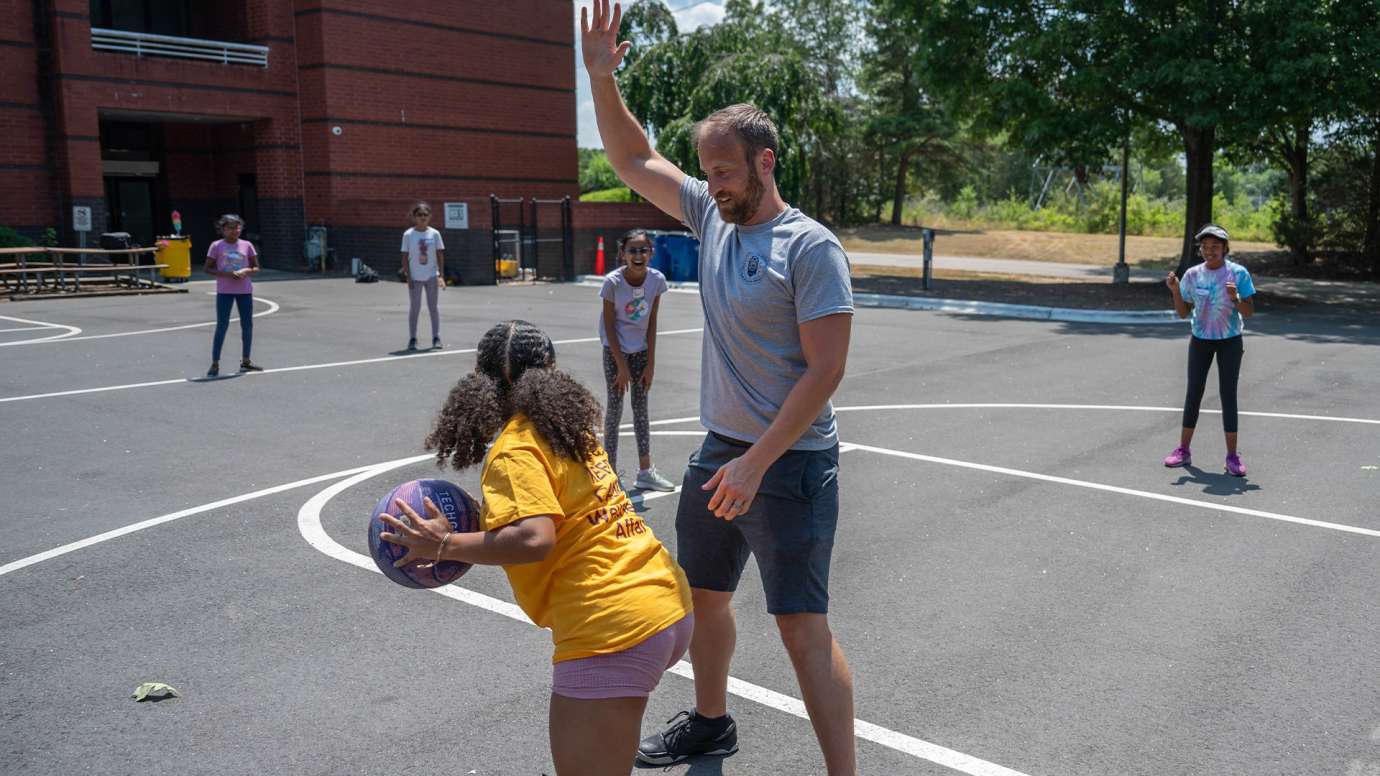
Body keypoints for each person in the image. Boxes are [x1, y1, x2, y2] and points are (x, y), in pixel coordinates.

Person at [581, 3, 857, 772]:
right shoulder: (713, 217)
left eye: (725, 171)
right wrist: (603, 78)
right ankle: (712, 722)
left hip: (792, 463)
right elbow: (634, 159)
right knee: (703, 598)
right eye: (706, 172)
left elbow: (826, 370)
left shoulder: (809, 249)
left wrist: (756, 464)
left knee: (802, 629)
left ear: (766, 162)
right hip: (721, 453)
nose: (713, 185)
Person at [379, 320, 694, 776]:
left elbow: (534, 538)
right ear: (551, 370)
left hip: (611, 630)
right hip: (664, 603)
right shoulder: (568, 430)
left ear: (480, 376)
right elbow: (569, 513)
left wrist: (443, 544)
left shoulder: (514, 449)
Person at [1164, 223, 1256, 476]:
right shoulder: (1193, 275)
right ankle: (1183, 450)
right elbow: (1184, 312)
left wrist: (1236, 298)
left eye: (1215, 246)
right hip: (1200, 339)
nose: (1209, 251)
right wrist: (1175, 291)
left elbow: (1250, 311)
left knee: (1228, 394)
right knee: (1194, 391)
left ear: (1225, 248)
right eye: (1205, 246)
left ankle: (1232, 457)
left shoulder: (1238, 274)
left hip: (1230, 340)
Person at [599, 228, 677, 491]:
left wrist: (650, 364)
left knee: (641, 410)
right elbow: (609, 326)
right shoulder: (612, 283)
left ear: (651, 253)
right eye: (632, 250)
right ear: (623, 254)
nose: (638, 254)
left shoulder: (656, 281)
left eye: (643, 249)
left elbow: (652, 322)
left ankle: (645, 471)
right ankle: (609, 473)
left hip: (641, 351)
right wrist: (621, 367)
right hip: (615, 350)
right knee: (615, 410)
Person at [204, 214, 261, 377]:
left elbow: (256, 267)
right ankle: (215, 363)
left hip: (244, 291)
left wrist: (246, 270)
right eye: (230, 228)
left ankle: (246, 361)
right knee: (222, 326)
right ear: (223, 229)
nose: (234, 231)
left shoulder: (247, 245)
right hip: (225, 291)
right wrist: (227, 274)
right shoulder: (216, 246)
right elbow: (207, 269)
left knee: (247, 325)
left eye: (237, 227)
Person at [400, 202, 446, 351]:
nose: (423, 218)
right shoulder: (408, 235)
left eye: (425, 215)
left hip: (432, 275)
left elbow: (440, 254)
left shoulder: (434, 234)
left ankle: (436, 337)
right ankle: (412, 338)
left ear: (430, 216)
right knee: (415, 308)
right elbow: (405, 256)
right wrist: (408, 276)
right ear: (414, 217)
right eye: (420, 215)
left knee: (433, 307)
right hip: (415, 276)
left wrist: (441, 275)